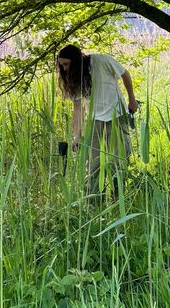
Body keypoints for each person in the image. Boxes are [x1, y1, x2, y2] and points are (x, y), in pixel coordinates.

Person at [56, 44, 140, 199]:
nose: (65, 69)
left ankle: (118, 200)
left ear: (76, 60)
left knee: (118, 162)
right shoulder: (73, 78)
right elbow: (78, 108)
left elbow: (125, 74)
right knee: (94, 166)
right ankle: (93, 205)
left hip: (117, 116)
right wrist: (77, 135)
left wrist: (132, 100)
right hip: (94, 121)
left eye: (66, 64)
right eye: (62, 65)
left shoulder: (102, 60)